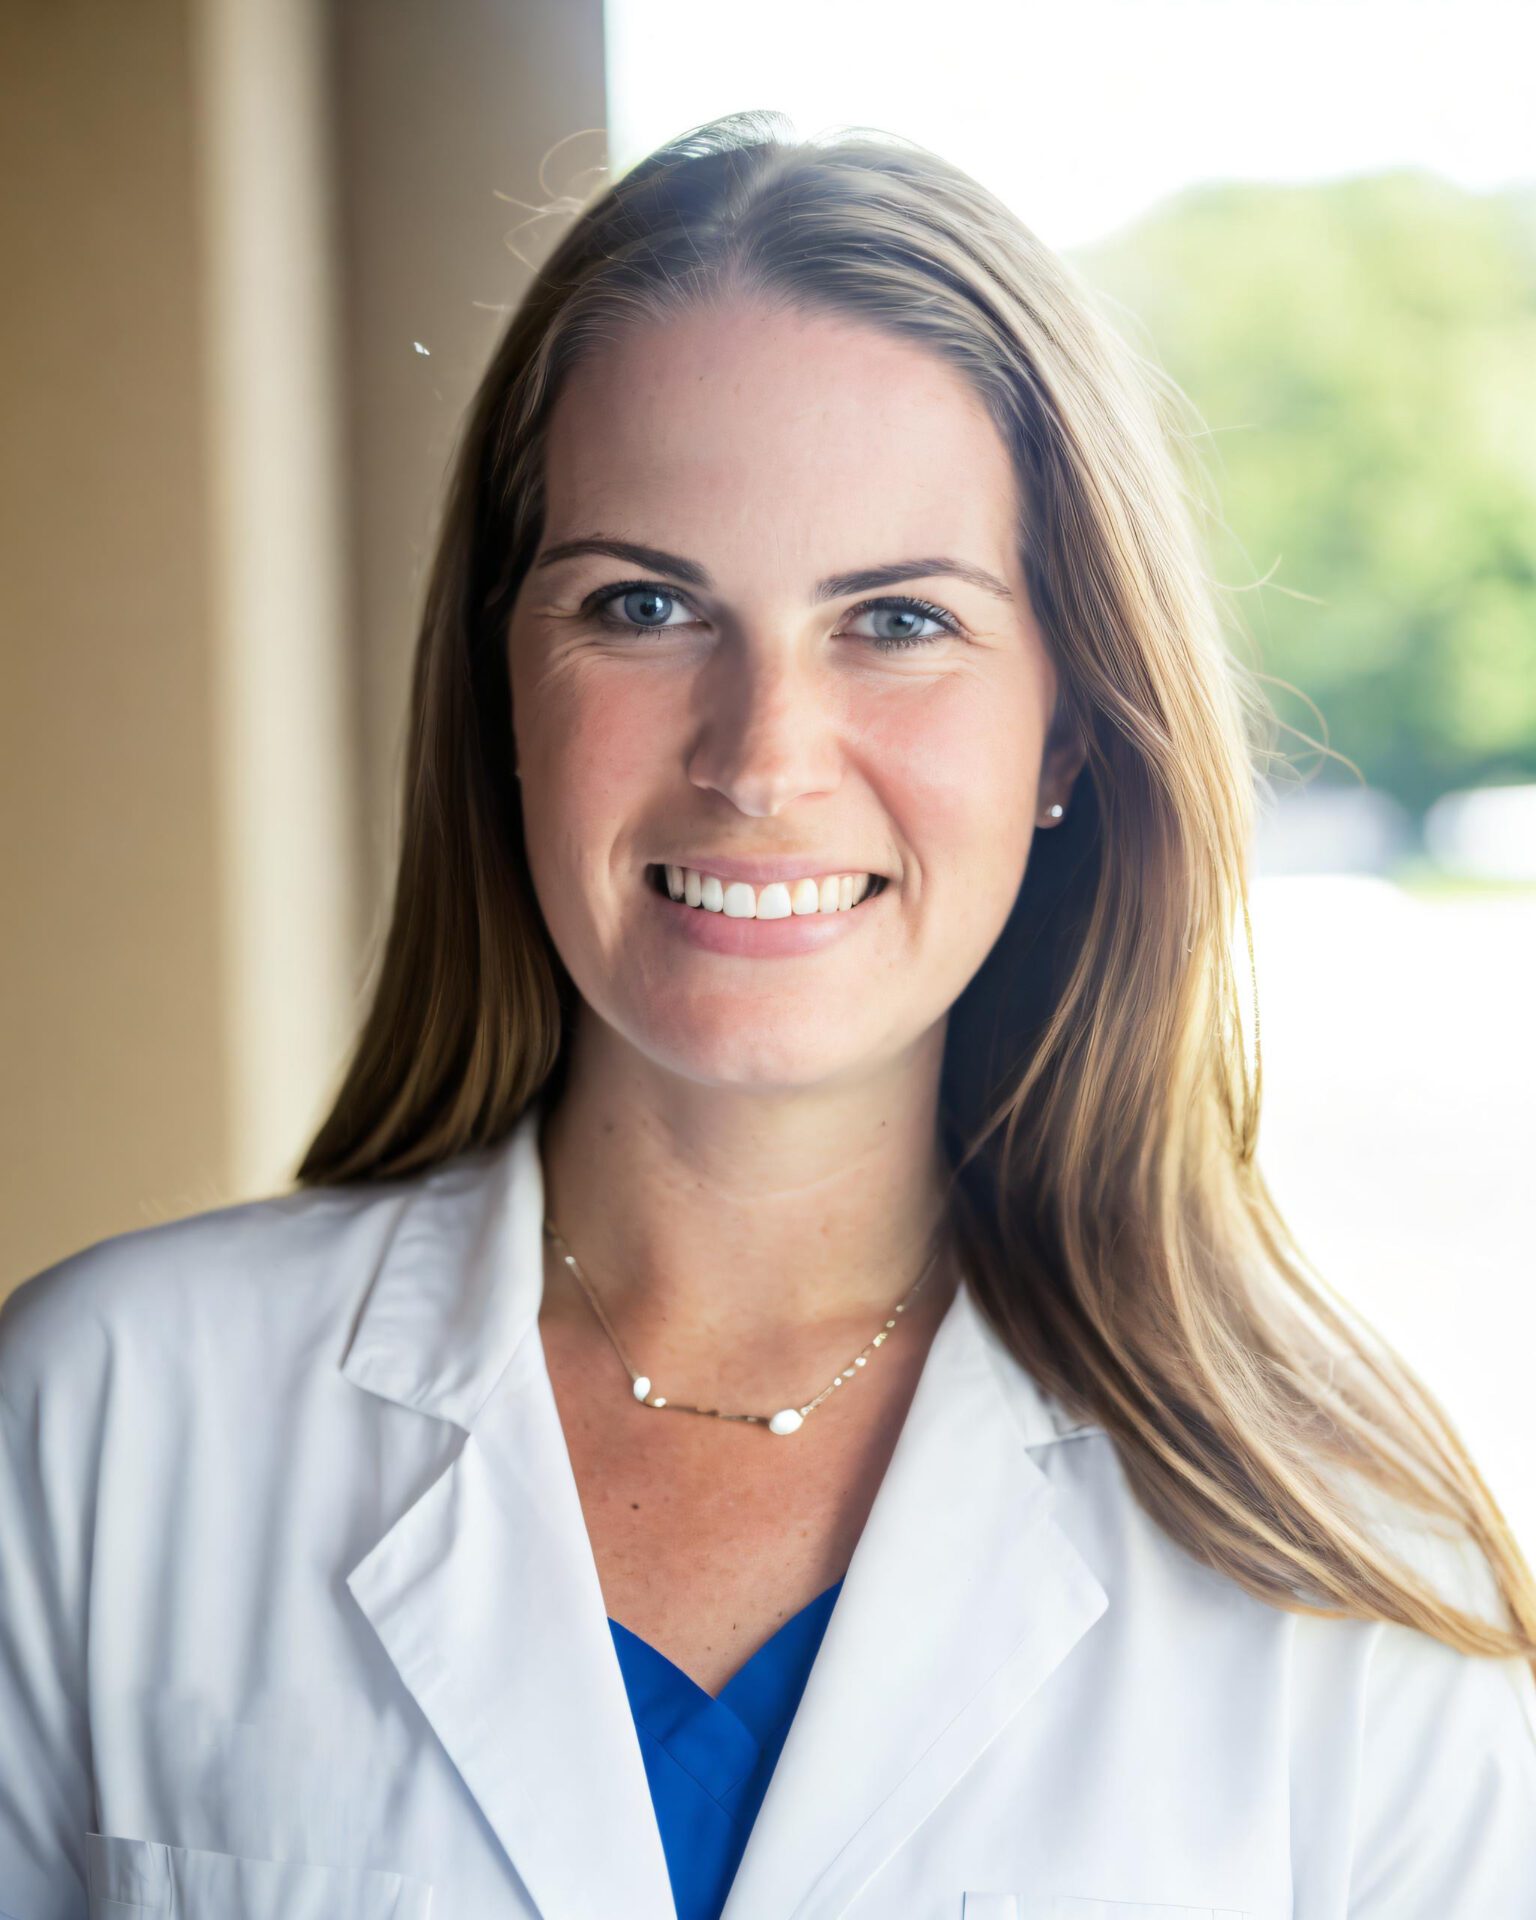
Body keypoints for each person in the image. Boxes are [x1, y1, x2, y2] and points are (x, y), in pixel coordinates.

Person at [2, 110, 1533, 1920]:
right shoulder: (105, 1425)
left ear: (1066, 730)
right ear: (504, 679)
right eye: (644, 605)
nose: (761, 762)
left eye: (894, 620)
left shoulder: (1350, 1556)